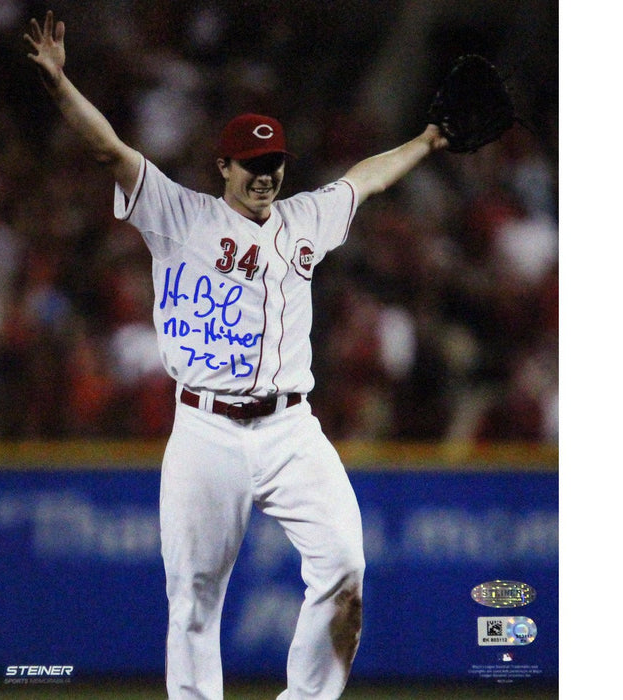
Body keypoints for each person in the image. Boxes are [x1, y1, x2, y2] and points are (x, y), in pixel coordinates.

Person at [24, 11, 448, 699]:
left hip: (290, 428)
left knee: (345, 571)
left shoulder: (309, 217)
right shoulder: (180, 215)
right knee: (193, 603)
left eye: (272, 162)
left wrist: (428, 141)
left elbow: (366, 178)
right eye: (250, 164)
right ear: (223, 165)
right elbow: (109, 150)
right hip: (205, 429)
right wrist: (60, 85)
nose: (264, 175)